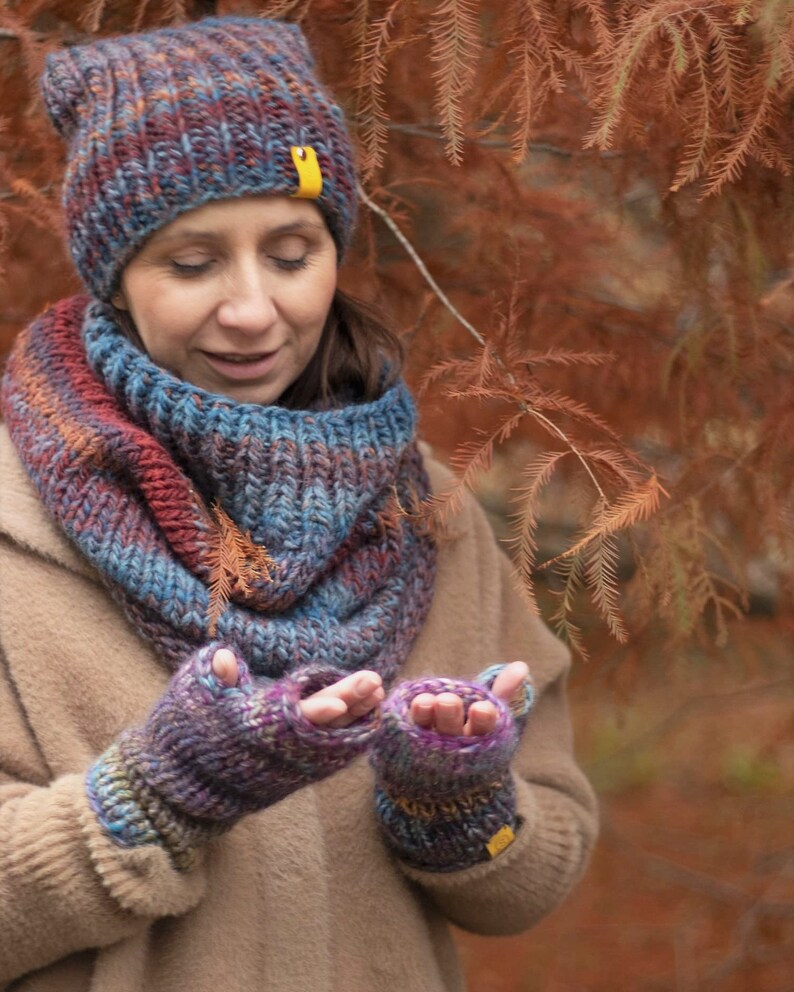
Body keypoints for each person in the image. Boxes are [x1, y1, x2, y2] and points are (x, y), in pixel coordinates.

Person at [0, 16, 597, 992]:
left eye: (289, 252)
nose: (251, 308)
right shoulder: (15, 523)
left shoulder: (424, 512)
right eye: (191, 263)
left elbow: (538, 871)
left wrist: (453, 807)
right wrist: (147, 798)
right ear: (114, 279)